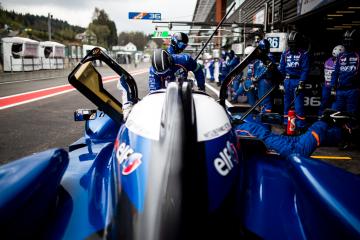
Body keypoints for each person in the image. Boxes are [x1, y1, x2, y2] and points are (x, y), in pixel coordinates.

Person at [234, 109, 352, 158]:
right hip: (244, 128)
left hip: (242, 131)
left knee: (297, 152)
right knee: (296, 140)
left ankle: (325, 120)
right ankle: (345, 134)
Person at [279, 31, 310, 130]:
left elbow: (305, 69)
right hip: (287, 81)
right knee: (286, 104)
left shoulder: (304, 54)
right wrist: (281, 82)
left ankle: (301, 126)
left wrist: (302, 82)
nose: (292, 46)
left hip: (298, 81)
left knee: (298, 106)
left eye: (294, 43)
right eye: (290, 43)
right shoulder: (285, 53)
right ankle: (286, 126)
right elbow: (282, 69)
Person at [330, 29, 360, 116]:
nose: (347, 44)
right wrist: (333, 87)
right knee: (337, 112)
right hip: (340, 90)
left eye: (349, 42)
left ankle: (350, 128)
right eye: (346, 41)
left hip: (353, 89)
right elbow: (335, 73)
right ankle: (338, 129)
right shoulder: (340, 56)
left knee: (351, 112)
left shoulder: (358, 55)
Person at [318, 45, 345, 115]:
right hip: (327, 86)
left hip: (336, 87)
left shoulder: (342, 62)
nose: (335, 58)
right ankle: (321, 116)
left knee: (336, 103)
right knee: (324, 102)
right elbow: (323, 72)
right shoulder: (328, 61)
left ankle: (333, 117)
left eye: (337, 57)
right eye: (335, 56)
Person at [253, 39, 276, 113]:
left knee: (266, 100)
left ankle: (266, 118)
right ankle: (263, 115)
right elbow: (257, 68)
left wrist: (257, 78)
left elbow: (266, 69)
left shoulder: (269, 56)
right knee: (261, 100)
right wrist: (254, 78)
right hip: (260, 81)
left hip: (266, 80)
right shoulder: (260, 57)